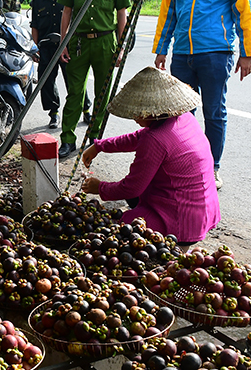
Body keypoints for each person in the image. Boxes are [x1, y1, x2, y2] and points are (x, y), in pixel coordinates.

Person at [153, 0, 251, 190]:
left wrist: (247, 53)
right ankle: (183, 162)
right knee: (180, 115)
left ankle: (212, 167)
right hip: (182, 54)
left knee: (214, 112)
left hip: (215, 53)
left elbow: (244, 10)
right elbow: (168, 11)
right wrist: (162, 48)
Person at [81, 66, 221, 247]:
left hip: (182, 220)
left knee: (117, 231)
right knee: (133, 202)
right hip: (205, 211)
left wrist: (100, 188)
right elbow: (137, 137)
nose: (135, 118)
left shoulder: (155, 139)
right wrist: (100, 146)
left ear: (153, 112)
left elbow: (131, 188)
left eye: (138, 113)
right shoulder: (184, 118)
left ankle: (178, 244)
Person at [57, 0, 130, 159]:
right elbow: (67, 11)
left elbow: (121, 14)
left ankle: (94, 139)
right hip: (78, 42)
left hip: (105, 42)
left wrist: (121, 45)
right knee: (74, 94)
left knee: (102, 94)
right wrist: (64, 42)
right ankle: (67, 139)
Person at [31, 0, 67, 130]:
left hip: (66, 46)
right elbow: (35, 26)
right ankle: (54, 112)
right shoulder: (38, 0)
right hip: (45, 47)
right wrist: (35, 48)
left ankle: (85, 108)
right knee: (46, 81)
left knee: (74, 80)